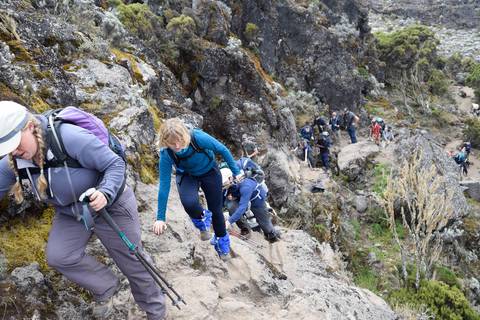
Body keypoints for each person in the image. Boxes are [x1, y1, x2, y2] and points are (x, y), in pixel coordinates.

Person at [0, 101, 166, 319]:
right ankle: (105, 286)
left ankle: (155, 310)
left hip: (111, 205)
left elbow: (115, 164)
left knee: (132, 260)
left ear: (30, 127)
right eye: (8, 148)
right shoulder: (16, 159)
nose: (15, 152)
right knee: (59, 256)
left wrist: (105, 192)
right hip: (73, 212)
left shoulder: (68, 137)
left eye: (16, 144)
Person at [154, 118, 241, 261]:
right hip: (187, 175)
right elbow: (164, 184)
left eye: (180, 140)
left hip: (209, 171)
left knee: (216, 211)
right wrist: (160, 218)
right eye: (172, 143)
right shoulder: (166, 153)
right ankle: (202, 221)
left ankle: (221, 242)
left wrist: (236, 171)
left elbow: (222, 149)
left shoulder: (197, 137)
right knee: (189, 203)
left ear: (185, 135)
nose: (177, 145)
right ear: (165, 142)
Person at [221, 168, 280, 243]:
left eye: (224, 182)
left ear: (230, 178)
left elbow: (242, 207)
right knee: (230, 205)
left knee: (265, 225)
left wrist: (228, 222)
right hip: (239, 196)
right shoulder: (227, 184)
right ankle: (245, 229)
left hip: (256, 198)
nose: (222, 184)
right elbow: (220, 202)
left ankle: (272, 234)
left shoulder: (245, 185)